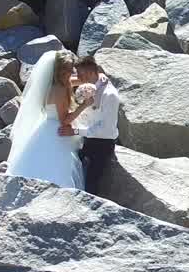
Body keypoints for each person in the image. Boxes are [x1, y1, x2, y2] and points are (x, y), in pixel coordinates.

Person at [6, 51, 87, 189]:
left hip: (47, 124)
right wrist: (84, 105)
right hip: (57, 130)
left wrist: (94, 78)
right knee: (57, 166)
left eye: (71, 69)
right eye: (67, 70)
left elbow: (77, 81)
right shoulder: (59, 90)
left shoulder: (58, 82)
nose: (70, 72)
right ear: (58, 70)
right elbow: (64, 121)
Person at [61, 56, 120, 188]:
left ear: (90, 73)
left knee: (91, 183)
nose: (79, 79)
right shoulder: (92, 84)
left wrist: (75, 131)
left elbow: (106, 130)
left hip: (103, 144)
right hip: (88, 138)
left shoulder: (109, 95)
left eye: (80, 74)